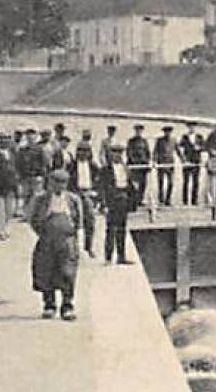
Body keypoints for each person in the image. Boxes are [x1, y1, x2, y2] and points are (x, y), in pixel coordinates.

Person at [26, 168, 86, 321]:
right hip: (47, 241)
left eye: (63, 182)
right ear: (50, 183)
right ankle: (49, 305)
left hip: (67, 241)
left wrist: (79, 240)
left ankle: (67, 306)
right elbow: (32, 219)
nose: (60, 186)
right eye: (56, 182)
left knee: (68, 273)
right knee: (47, 271)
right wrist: (44, 233)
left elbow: (80, 221)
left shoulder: (73, 200)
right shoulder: (41, 199)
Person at [99, 143, 137, 264]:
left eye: (120, 153)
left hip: (123, 199)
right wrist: (103, 203)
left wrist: (132, 202)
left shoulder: (126, 168)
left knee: (122, 229)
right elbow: (102, 187)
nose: (118, 155)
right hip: (112, 200)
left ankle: (121, 256)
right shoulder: (106, 169)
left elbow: (130, 185)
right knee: (110, 229)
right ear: (111, 154)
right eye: (115, 153)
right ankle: (108, 257)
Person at [68, 130, 102, 258]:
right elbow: (67, 183)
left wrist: (96, 195)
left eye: (86, 151)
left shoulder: (93, 167)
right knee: (75, 223)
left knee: (90, 222)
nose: (83, 153)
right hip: (75, 194)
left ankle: (89, 247)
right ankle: (74, 248)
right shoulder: (71, 166)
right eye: (80, 150)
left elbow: (99, 182)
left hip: (88, 194)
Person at [125, 125, 152, 207]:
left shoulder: (144, 141)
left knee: (143, 184)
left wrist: (147, 162)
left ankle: (140, 199)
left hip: (143, 166)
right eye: (137, 131)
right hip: (134, 165)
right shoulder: (131, 141)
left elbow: (148, 152)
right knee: (133, 184)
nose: (139, 132)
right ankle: (134, 200)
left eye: (140, 131)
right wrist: (134, 162)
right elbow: (129, 152)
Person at [178, 123, 202, 207]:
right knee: (186, 181)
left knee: (196, 181)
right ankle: (185, 200)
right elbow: (180, 147)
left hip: (196, 161)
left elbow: (205, 146)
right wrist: (183, 159)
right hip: (187, 161)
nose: (192, 128)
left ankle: (194, 200)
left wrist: (199, 148)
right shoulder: (184, 137)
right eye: (190, 127)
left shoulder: (199, 137)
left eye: (193, 127)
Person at [153, 125, 177, 207]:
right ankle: (161, 200)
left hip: (170, 164)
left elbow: (178, 151)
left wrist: (184, 160)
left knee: (171, 182)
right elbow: (155, 151)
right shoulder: (159, 140)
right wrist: (154, 161)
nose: (168, 133)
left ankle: (168, 199)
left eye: (169, 132)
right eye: (166, 132)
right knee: (161, 182)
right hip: (161, 163)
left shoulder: (173, 140)